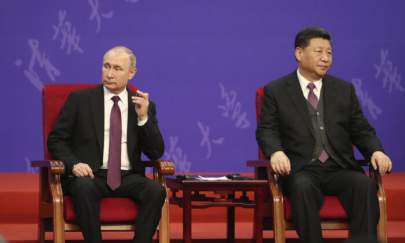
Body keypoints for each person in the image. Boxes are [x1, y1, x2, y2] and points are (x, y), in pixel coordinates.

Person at [256, 27, 392, 243]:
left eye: (329, 52)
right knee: (302, 186)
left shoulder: (343, 90)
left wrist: (376, 150)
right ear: (299, 54)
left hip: (339, 167)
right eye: (319, 51)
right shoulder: (277, 90)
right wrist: (276, 152)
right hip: (300, 169)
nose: (325, 58)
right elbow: (267, 130)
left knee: (364, 185)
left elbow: (361, 129)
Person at [47, 46, 166, 243]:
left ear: (132, 73)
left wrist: (143, 118)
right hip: (90, 175)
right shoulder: (80, 100)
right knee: (83, 187)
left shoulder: (143, 105)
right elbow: (56, 139)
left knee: (156, 191)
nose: (109, 74)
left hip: (128, 176)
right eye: (106, 66)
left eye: (117, 69)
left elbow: (155, 152)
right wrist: (74, 164)